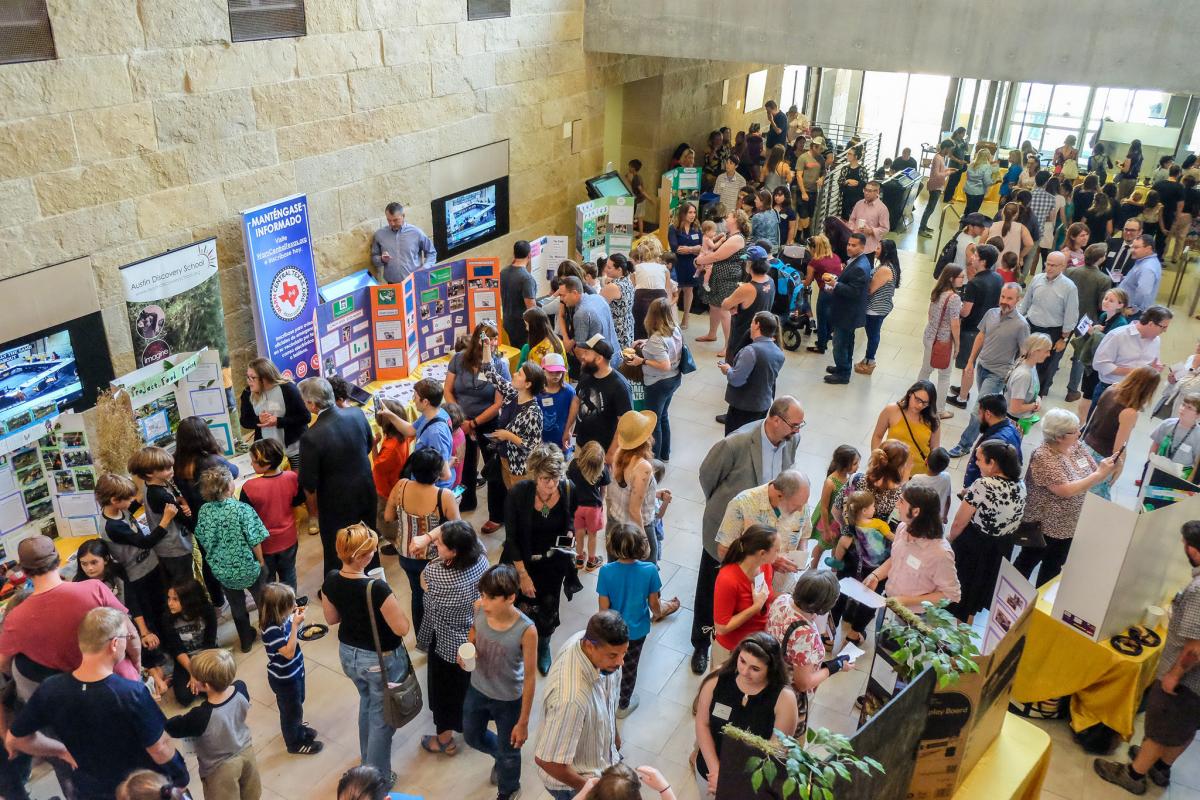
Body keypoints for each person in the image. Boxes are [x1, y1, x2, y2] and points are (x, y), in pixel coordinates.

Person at [8, 607, 188, 798]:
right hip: (141, 789)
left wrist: (60, 750)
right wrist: (180, 777)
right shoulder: (130, 693)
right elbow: (159, 748)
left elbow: (16, 739)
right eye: (126, 638)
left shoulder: (50, 689)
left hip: (92, 789)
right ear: (114, 644)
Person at [692, 397, 803, 674]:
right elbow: (708, 477)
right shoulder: (736, 443)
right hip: (728, 532)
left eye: (801, 426)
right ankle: (701, 643)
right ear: (775, 419)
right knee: (712, 588)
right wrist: (725, 506)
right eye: (794, 425)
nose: (797, 431)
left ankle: (741, 635)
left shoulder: (791, 440)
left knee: (748, 589)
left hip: (762, 534)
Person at [1094, 521, 1200, 794]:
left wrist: (1175, 674)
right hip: (1195, 689)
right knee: (1185, 726)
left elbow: (1195, 648)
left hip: (1186, 678)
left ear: (1194, 550)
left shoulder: (1199, 589)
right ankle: (1160, 767)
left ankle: (1133, 774)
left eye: (1185, 544)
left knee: (1160, 727)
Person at [320, 523, 412, 783]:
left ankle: (366, 761)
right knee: (383, 718)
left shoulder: (331, 580)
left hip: (350, 655)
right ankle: (376, 779)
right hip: (380, 658)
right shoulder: (377, 588)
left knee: (368, 704)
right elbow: (402, 627)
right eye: (370, 550)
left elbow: (331, 618)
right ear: (363, 556)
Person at [0, 536, 142, 689]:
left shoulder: (15, 618)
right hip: (121, 680)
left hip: (79, 694)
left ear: (24, 571)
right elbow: (130, 633)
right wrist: (136, 666)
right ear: (58, 560)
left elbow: (4, 665)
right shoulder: (95, 588)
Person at [1014, 408, 1119, 585]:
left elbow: (1093, 468)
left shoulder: (1075, 445)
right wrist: (1099, 475)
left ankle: (1039, 605)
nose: (1079, 433)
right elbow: (1065, 490)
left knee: (1053, 567)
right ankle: (1009, 599)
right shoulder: (1044, 456)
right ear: (1059, 437)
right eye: (1074, 431)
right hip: (1044, 526)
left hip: (1069, 525)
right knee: (1027, 562)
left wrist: (1108, 467)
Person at [460, 564, 537, 800]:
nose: (484, 602)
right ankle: (499, 757)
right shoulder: (479, 609)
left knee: (511, 752)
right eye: (483, 595)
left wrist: (523, 722)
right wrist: (469, 649)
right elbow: (473, 632)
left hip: (508, 699)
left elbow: (531, 677)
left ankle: (509, 789)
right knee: (471, 736)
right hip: (478, 688)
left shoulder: (526, 630)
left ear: (511, 597)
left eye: (492, 598)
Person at [533, 611, 628, 800]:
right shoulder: (571, 699)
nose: (620, 662)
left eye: (624, 653)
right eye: (613, 655)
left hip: (599, 761)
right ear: (589, 646)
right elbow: (547, 761)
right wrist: (590, 790)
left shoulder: (587, 643)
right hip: (573, 784)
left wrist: (614, 736)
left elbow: (607, 698)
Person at [503, 444, 580, 676]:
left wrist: (569, 534)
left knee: (548, 605)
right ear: (535, 474)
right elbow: (511, 539)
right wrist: (523, 575)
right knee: (520, 606)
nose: (551, 485)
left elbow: (570, 519)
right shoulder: (519, 494)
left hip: (552, 563)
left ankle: (544, 645)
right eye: (546, 479)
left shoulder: (567, 489)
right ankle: (519, 646)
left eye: (556, 478)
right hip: (522, 562)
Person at [417, 521, 489, 757]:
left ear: (454, 551)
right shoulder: (481, 559)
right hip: (475, 638)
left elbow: (423, 586)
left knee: (444, 695)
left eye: (440, 543)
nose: (435, 543)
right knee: (469, 687)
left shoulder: (435, 573)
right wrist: (430, 537)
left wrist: (424, 539)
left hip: (447, 646)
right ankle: (474, 724)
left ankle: (445, 740)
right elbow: (459, 527)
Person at [694, 633, 798, 797]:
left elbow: (776, 752)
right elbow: (702, 723)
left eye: (755, 669)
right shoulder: (717, 679)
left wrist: (734, 781)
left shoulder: (784, 699)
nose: (744, 672)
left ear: (771, 669)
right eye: (742, 661)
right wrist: (716, 771)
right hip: (710, 774)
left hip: (751, 784)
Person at [298, 376, 377, 575]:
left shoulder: (311, 436)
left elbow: (309, 481)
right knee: (368, 538)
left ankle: (338, 586)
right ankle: (373, 575)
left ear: (312, 404)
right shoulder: (356, 414)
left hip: (336, 503)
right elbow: (369, 444)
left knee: (338, 548)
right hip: (365, 490)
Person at [597, 524, 674, 717]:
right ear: (641, 547)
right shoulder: (649, 570)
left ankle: (602, 700)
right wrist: (658, 614)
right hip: (638, 631)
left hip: (613, 630)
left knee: (609, 663)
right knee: (630, 667)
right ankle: (623, 704)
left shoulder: (606, 571)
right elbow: (654, 603)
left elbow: (603, 608)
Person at [164, 648, 261, 798]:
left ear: (206, 686)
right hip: (246, 751)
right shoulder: (241, 688)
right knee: (251, 793)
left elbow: (173, 727)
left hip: (220, 767)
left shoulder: (200, 715)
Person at [947, 441, 1026, 622]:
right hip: (1001, 547)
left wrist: (950, 539)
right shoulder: (1020, 485)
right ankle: (966, 628)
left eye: (979, 459)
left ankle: (954, 634)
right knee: (976, 593)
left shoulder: (984, 484)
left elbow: (959, 522)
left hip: (975, 545)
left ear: (993, 463)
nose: (976, 463)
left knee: (962, 590)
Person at [383, 448, 458, 634]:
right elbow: (458, 530)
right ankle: (437, 636)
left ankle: (421, 636)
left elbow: (388, 516)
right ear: (438, 472)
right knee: (436, 598)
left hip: (406, 555)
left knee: (417, 594)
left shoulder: (401, 485)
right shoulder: (444, 496)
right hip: (433, 558)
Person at [193, 466, 268, 652]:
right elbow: (255, 539)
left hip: (223, 570)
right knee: (261, 600)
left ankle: (245, 640)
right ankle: (268, 634)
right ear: (227, 487)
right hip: (247, 565)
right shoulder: (241, 509)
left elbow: (201, 537)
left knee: (236, 605)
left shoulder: (204, 511)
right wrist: (261, 561)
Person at [948, 283, 1029, 455]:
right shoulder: (991, 313)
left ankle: (964, 445)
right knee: (987, 409)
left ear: (1018, 300)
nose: (1004, 301)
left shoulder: (1021, 325)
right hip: (982, 367)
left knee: (979, 409)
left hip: (998, 374)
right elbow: (981, 335)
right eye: (1003, 296)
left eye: (1009, 298)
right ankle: (992, 435)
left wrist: (1014, 376)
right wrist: (971, 361)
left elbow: (1024, 353)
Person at [765, 570, 849, 736]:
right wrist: (834, 666)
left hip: (769, 677)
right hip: (787, 696)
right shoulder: (805, 635)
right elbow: (803, 683)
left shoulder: (782, 600)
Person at [862, 485, 961, 614]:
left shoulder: (940, 553)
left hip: (915, 617)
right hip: (890, 604)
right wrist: (876, 575)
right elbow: (897, 557)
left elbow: (951, 594)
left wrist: (905, 601)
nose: (897, 504)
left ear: (916, 511)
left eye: (901, 501)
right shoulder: (903, 528)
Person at [96, 473, 171, 642]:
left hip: (151, 565)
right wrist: (165, 520)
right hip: (139, 576)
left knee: (164, 606)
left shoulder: (118, 509)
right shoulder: (112, 527)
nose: (132, 501)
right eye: (128, 499)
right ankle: (164, 644)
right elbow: (146, 542)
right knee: (155, 613)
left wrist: (138, 501)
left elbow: (129, 510)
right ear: (115, 500)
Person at [446, 322, 510, 513]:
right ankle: (465, 502)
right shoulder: (458, 360)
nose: (495, 342)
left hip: (488, 422)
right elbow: (448, 390)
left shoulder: (499, 366)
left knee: (493, 468)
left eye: (495, 338)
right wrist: (461, 419)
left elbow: (498, 403)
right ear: (479, 341)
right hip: (461, 422)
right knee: (463, 466)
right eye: (491, 339)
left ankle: (497, 514)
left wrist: (473, 423)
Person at [1084, 365, 1160, 498]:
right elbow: (1118, 448)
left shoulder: (1110, 388)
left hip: (1086, 446)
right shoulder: (1129, 412)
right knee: (1096, 500)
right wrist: (1119, 466)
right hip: (1101, 458)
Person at [240, 438, 305, 590]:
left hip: (264, 545)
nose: (251, 464)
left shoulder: (249, 487)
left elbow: (246, 519)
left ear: (266, 464)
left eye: (254, 461)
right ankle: (291, 607)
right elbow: (297, 501)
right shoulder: (292, 477)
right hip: (289, 538)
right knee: (289, 575)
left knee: (268, 582)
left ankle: (273, 610)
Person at [125, 446, 194, 585]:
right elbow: (186, 520)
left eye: (171, 467)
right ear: (150, 473)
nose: (172, 471)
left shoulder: (149, 484)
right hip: (176, 548)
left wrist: (178, 501)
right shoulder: (159, 495)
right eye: (166, 469)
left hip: (167, 548)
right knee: (185, 586)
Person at [712, 524, 779, 665]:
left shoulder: (765, 565)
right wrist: (755, 607)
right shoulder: (728, 579)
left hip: (758, 644)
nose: (779, 554)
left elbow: (768, 595)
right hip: (732, 650)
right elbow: (722, 627)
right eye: (777, 550)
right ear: (762, 553)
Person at [626, 298, 682, 460]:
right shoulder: (675, 329)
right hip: (673, 379)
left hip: (658, 383)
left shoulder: (657, 339)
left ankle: (654, 459)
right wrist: (646, 342)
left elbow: (664, 364)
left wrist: (641, 361)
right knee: (663, 416)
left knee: (653, 421)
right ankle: (665, 453)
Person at [1017, 250, 1078, 397]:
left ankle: (1036, 397)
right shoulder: (1037, 279)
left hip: (1052, 331)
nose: (1049, 268)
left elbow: (1071, 314)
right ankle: (1018, 391)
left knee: (1045, 367)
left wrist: (1063, 338)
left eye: (1053, 265)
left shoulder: (1069, 287)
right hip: (1031, 326)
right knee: (1024, 360)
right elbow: (1026, 303)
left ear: (1062, 266)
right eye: (1047, 264)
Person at [606, 411, 663, 564]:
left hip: (614, 524)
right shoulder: (643, 467)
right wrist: (644, 541)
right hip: (636, 529)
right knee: (647, 576)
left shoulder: (618, 454)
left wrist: (654, 493)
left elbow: (620, 492)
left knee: (615, 574)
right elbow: (633, 509)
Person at [568, 335, 633, 461]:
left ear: (598, 359)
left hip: (602, 452)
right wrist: (568, 430)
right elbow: (576, 401)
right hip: (581, 445)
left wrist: (611, 453)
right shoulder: (587, 373)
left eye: (587, 353)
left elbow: (624, 424)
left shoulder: (620, 387)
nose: (582, 356)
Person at [238, 357, 309, 472]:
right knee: (274, 481)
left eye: (253, 377)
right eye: (247, 377)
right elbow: (244, 421)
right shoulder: (247, 393)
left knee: (298, 480)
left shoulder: (287, 389)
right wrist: (258, 420)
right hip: (267, 450)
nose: (249, 381)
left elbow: (305, 417)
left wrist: (278, 421)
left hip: (293, 445)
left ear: (265, 378)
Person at [1063, 243, 1115, 402]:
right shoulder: (1104, 279)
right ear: (1101, 259)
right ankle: (1072, 390)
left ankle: (1045, 385)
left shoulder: (1071, 271)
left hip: (1067, 315)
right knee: (1080, 354)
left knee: (1058, 349)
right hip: (1088, 320)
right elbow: (1102, 304)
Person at [1090, 305, 1171, 405]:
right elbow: (1099, 364)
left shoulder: (1156, 340)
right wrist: (1135, 372)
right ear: (1151, 324)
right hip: (1111, 390)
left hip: (1137, 392)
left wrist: (1154, 368)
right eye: (1163, 327)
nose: (1165, 331)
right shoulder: (1118, 335)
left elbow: (1153, 362)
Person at [721, 311, 785, 434]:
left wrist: (727, 369)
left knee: (734, 440)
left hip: (743, 406)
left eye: (752, 322)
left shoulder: (750, 351)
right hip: (763, 404)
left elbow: (736, 379)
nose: (750, 326)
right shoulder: (779, 352)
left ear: (757, 325)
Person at [694, 210, 750, 350]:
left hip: (728, 278)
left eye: (729, 216)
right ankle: (712, 334)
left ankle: (728, 346)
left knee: (725, 309)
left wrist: (699, 260)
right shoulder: (729, 235)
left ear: (736, 220)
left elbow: (717, 256)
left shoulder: (737, 238)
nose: (726, 218)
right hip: (718, 277)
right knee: (714, 306)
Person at [159, 578, 218, 707]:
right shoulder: (167, 618)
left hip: (206, 656)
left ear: (188, 599)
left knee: (216, 687)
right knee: (184, 698)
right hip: (184, 660)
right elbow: (177, 649)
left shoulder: (207, 610)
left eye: (175, 599)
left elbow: (210, 643)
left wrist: (199, 670)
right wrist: (193, 672)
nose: (170, 603)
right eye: (169, 598)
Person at [824, 233, 872, 385]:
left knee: (840, 343)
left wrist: (835, 284)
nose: (849, 247)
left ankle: (843, 374)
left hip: (847, 313)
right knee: (846, 342)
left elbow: (853, 292)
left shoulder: (860, 267)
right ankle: (842, 367)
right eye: (849, 244)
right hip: (848, 312)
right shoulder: (859, 261)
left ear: (863, 247)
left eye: (854, 245)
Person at [918, 266, 964, 418]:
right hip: (943, 342)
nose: (963, 280)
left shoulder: (937, 292)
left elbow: (930, 314)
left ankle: (916, 401)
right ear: (951, 278)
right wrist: (957, 344)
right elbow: (955, 323)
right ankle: (939, 410)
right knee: (944, 375)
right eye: (960, 277)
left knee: (925, 371)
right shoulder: (954, 298)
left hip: (930, 337)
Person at [870, 381, 941, 476]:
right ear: (910, 394)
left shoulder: (932, 419)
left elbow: (934, 449)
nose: (920, 405)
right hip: (891, 470)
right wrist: (878, 460)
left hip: (919, 475)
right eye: (918, 400)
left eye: (925, 403)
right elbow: (877, 436)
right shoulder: (891, 410)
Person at [722, 244, 775, 364]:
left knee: (737, 366)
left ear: (751, 264)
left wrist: (736, 296)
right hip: (761, 332)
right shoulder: (770, 281)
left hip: (743, 335)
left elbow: (725, 305)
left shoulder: (748, 288)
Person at [809, 446, 861, 568]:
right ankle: (812, 570)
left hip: (840, 521)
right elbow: (824, 508)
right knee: (821, 547)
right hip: (829, 522)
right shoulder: (830, 482)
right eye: (854, 464)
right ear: (844, 464)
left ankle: (834, 571)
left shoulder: (849, 478)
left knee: (837, 546)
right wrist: (827, 530)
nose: (858, 466)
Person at [855, 238, 900, 375]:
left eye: (879, 248)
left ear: (885, 252)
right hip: (879, 306)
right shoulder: (886, 265)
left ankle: (870, 360)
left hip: (876, 308)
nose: (876, 250)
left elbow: (870, 289)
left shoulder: (885, 269)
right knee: (873, 334)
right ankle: (868, 359)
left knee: (873, 334)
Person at [559, 275, 623, 367]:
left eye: (563, 295)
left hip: (600, 365)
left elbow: (580, 350)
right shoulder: (598, 298)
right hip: (616, 355)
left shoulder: (581, 313)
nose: (561, 299)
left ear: (574, 293)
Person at [370, 202, 436, 282]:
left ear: (403, 216)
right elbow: (374, 258)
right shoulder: (380, 235)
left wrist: (425, 268)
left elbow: (431, 253)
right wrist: (382, 259)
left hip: (415, 281)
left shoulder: (417, 233)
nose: (392, 224)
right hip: (393, 285)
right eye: (389, 220)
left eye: (395, 220)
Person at [804, 233, 843, 354]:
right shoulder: (836, 257)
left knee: (821, 319)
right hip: (838, 291)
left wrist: (796, 281)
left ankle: (821, 346)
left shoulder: (815, 262)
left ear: (814, 248)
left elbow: (807, 282)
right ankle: (826, 337)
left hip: (825, 293)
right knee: (830, 317)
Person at [1006, 333, 1053, 434]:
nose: (1049, 354)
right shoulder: (1024, 375)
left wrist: (1038, 399)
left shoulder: (1031, 366)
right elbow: (1015, 408)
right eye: (1047, 351)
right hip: (1013, 425)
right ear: (1036, 351)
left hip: (1020, 422)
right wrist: (1035, 405)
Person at [1148, 394, 1200, 479]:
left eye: (1189, 408)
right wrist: (1148, 463)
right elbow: (1155, 444)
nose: (1183, 409)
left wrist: (1190, 481)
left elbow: (1197, 463)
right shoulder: (1167, 424)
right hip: (1157, 468)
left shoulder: (1198, 435)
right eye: (1183, 405)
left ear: (1198, 415)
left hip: (1180, 476)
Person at [668, 202, 702, 327]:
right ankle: (672, 317)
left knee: (689, 290)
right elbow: (675, 247)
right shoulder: (674, 228)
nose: (693, 215)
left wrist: (689, 249)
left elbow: (702, 247)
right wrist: (694, 248)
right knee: (676, 290)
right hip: (678, 263)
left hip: (692, 264)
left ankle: (686, 318)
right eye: (690, 212)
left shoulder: (697, 228)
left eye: (694, 212)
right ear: (683, 213)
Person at [501, 240, 537, 348]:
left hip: (507, 322)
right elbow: (531, 308)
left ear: (514, 254)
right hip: (522, 327)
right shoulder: (527, 279)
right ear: (529, 255)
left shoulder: (503, 273)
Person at [919, 139, 957, 237]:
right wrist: (949, 173)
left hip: (938, 186)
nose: (950, 152)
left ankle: (924, 226)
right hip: (935, 186)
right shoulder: (937, 158)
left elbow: (941, 170)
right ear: (945, 148)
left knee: (930, 208)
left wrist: (948, 169)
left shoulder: (941, 157)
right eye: (950, 149)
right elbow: (937, 175)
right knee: (929, 209)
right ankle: (921, 229)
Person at [599, 253, 635, 351]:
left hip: (616, 329)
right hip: (627, 325)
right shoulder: (628, 281)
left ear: (619, 270)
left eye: (609, 267)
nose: (605, 269)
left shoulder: (613, 287)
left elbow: (596, 306)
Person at [1122, 234, 1163, 313]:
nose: (1132, 250)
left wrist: (1134, 308)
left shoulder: (1147, 268)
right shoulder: (1143, 261)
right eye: (1132, 247)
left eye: (1136, 247)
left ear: (1148, 249)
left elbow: (1144, 291)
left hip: (1130, 311)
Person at [848, 180, 890, 255]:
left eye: (869, 191)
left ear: (877, 192)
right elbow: (852, 220)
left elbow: (885, 229)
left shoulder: (882, 209)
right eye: (865, 190)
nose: (866, 193)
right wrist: (853, 230)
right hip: (855, 245)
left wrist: (871, 231)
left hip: (869, 248)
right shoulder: (859, 204)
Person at [794, 139, 826, 238]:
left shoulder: (821, 159)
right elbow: (799, 175)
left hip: (813, 191)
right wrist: (803, 192)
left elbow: (823, 172)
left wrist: (821, 178)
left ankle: (798, 236)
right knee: (804, 216)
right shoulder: (803, 158)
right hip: (802, 190)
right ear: (813, 146)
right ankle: (808, 237)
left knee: (809, 216)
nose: (821, 151)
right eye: (820, 149)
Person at [713, 157, 747, 221]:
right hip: (720, 213)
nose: (727, 165)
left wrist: (736, 212)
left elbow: (741, 199)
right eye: (727, 163)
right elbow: (716, 196)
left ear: (736, 166)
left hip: (732, 213)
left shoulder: (741, 180)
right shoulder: (720, 177)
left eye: (731, 163)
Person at [963, 148, 994, 216]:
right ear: (988, 156)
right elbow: (987, 181)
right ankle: (969, 224)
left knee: (968, 207)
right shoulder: (987, 166)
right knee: (974, 211)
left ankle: (964, 222)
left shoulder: (972, 164)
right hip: (978, 192)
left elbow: (967, 175)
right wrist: (994, 181)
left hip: (968, 189)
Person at [943, 127, 970, 203]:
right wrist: (958, 160)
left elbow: (967, 150)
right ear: (958, 133)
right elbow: (949, 155)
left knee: (956, 182)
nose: (964, 135)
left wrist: (966, 142)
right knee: (952, 182)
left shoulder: (962, 141)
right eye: (963, 134)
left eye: (964, 134)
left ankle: (950, 197)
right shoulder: (953, 142)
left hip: (960, 166)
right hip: (954, 165)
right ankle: (947, 198)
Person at [839, 148, 867, 219]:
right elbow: (840, 181)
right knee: (845, 220)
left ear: (856, 156)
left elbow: (865, 183)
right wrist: (848, 181)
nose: (847, 155)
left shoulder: (862, 169)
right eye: (847, 153)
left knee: (856, 219)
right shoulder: (845, 168)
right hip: (846, 199)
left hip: (858, 200)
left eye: (850, 154)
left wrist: (857, 183)